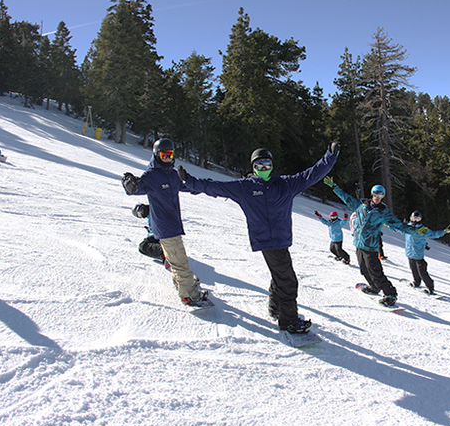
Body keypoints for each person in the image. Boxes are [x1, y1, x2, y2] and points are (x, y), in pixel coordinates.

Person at [178, 143, 340, 334]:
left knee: (279, 274)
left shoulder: (286, 184)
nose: (264, 169)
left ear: (272, 165)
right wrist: (190, 181)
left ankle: (276, 308)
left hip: (281, 240)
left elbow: (312, 174)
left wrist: (330, 156)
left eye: (267, 165)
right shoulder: (245, 187)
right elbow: (216, 187)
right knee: (288, 281)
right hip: (266, 240)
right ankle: (289, 322)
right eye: (259, 165)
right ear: (253, 168)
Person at [122, 138, 205, 307]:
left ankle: (180, 284)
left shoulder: (172, 174)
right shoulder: (152, 176)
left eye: (170, 154)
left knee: (174, 258)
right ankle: (189, 294)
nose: (167, 158)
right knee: (180, 261)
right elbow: (136, 189)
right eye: (163, 154)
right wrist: (130, 185)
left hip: (173, 224)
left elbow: (187, 187)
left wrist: (191, 182)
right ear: (156, 155)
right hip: (164, 226)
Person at [324, 179, 431, 307]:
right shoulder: (360, 206)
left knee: (375, 271)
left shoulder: (383, 212)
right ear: (372, 194)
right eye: (376, 194)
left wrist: (416, 230)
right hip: (359, 244)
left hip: (370, 246)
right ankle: (374, 287)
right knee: (364, 270)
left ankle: (390, 294)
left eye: (381, 195)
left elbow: (398, 225)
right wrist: (335, 187)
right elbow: (346, 198)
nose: (378, 197)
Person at [391, 211, 450, 295]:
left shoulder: (422, 229)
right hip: (410, 253)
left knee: (422, 272)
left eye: (417, 218)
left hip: (418, 254)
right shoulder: (408, 227)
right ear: (410, 218)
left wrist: (444, 231)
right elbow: (399, 229)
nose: (415, 220)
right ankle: (416, 282)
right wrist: (388, 225)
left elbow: (434, 234)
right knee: (413, 269)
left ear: (420, 219)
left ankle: (430, 287)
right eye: (414, 218)